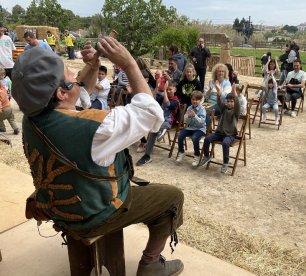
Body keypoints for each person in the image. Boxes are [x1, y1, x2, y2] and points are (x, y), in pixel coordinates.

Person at [11, 39, 184, 275]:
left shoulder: (32, 117)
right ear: (61, 92)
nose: (76, 76)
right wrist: (130, 64)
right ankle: (151, 264)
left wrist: (92, 67)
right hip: (96, 213)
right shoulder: (97, 129)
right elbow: (151, 116)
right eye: (72, 75)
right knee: (172, 197)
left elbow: (81, 93)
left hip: (57, 206)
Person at [136, 81, 180, 166]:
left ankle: (160, 134)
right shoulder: (162, 98)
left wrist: (164, 92)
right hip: (159, 119)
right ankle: (147, 149)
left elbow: (167, 104)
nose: (168, 91)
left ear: (175, 90)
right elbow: (153, 101)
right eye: (167, 89)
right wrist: (156, 86)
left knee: (156, 130)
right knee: (146, 125)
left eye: (170, 89)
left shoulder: (176, 101)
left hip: (168, 122)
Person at [199, 91, 240, 174]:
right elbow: (219, 102)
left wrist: (235, 94)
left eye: (231, 101)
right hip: (219, 133)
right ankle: (207, 156)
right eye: (228, 101)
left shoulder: (236, 111)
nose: (229, 103)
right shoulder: (224, 108)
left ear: (235, 102)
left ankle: (225, 162)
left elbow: (238, 105)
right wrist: (218, 94)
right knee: (207, 139)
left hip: (230, 135)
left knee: (225, 143)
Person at [176, 90, 206, 166]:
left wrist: (194, 116)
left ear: (200, 100)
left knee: (195, 138)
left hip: (200, 129)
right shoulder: (189, 107)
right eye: (193, 99)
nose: (194, 101)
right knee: (180, 135)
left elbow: (201, 122)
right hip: (191, 128)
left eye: (197, 100)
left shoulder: (202, 109)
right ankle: (181, 151)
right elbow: (186, 121)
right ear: (191, 100)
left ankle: (197, 155)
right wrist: (189, 117)